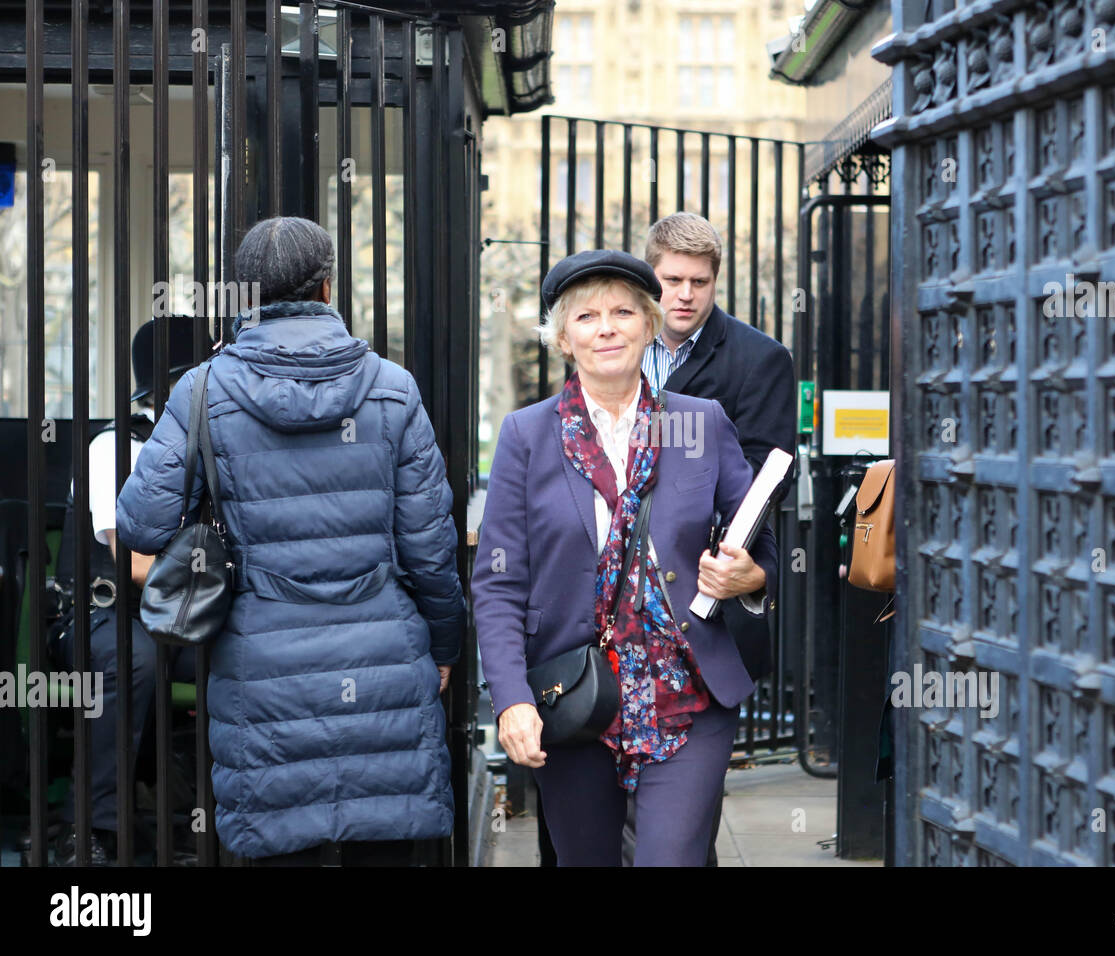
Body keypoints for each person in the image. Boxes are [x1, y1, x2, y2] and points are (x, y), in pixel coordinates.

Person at [115, 216, 466, 865]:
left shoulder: (203, 391)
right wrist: (444, 644)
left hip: (261, 667)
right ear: (329, 287)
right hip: (382, 659)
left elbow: (139, 525)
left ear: (243, 295)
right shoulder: (392, 389)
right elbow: (430, 549)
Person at [473, 249, 779, 866]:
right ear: (563, 337)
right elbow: (499, 583)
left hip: (687, 691)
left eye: (621, 312)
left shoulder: (700, 423)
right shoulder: (527, 436)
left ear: (648, 324)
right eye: (585, 317)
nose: (606, 327)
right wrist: (511, 698)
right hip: (573, 693)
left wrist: (751, 577)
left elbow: (759, 544)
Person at [638, 212, 799, 864]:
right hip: (610, 613)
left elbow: (762, 485)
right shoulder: (616, 343)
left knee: (682, 821)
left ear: (715, 282)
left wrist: (732, 570)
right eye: (672, 278)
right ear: (649, 275)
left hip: (702, 608)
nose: (684, 294)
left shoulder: (759, 360)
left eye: (698, 281)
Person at [47, 316, 204, 866]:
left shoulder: (210, 446)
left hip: (183, 612)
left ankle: (215, 819)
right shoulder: (114, 447)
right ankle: (92, 826)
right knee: (134, 660)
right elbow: (135, 564)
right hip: (104, 615)